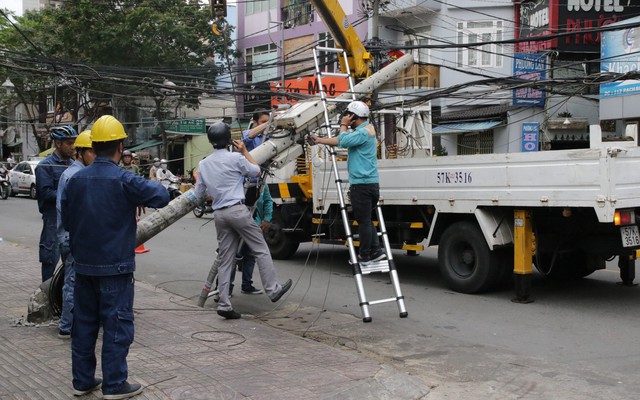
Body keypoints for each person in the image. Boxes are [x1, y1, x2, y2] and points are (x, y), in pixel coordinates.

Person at [61, 115, 169, 399]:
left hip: (83, 266)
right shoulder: (125, 179)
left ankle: (82, 381)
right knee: (117, 325)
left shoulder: (75, 180)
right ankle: (114, 384)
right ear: (120, 146)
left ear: (93, 146)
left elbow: (68, 220)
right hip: (115, 268)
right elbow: (161, 196)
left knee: (83, 325)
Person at [194, 122, 292, 319]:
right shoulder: (236, 158)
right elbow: (256, 171)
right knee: (261, 248)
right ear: (228, 139)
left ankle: (224, 302)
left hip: (220, 214)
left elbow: (199, 194)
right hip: (237, 210)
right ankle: (273, 289)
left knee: (225, 258)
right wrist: (245, 150)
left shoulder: (204, 164)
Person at [310, 101, 386, 266]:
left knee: (364, 220)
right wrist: (320, 140)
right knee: (367, 219)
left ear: (353, 117)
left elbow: (343, 141)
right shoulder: (366, 130)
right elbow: (340, 140)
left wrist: (343, 124)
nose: (345, 118)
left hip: (362, 184)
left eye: (348, 115)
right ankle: (376, 251)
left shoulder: (363, 133)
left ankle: (365, 256)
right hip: (370, 183)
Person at [55, 130, 96, 339]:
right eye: (92, 152)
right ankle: (67, 326)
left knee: (76, 282)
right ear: (80, 153)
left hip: (71, 237)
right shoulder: (75, 176)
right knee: (72, 283)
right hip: (73, 239)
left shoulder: (75, 174)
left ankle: (73, 323)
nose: (96, 156)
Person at [35, 125, 77, 282]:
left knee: (71, 262)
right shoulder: (45, 166)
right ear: (58, 143)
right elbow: (45, 193)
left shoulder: (74, 164)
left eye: (74, 142)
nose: (73, 146)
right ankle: (45, 297)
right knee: (50, 260)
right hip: (52, 219)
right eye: (69, 143)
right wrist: (68, 195)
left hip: (70, 220)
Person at [230, 182, 274, 296]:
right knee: (231, 257)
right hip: (237, 224)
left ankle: (247, 285)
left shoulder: (262, 184)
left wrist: (267, 218)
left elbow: (268, 200)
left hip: (254, 224)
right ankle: (226, 288)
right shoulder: (239, 180)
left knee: (250, 256)